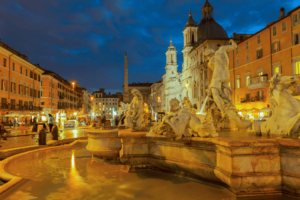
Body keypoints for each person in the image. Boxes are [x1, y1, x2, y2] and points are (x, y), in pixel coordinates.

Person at [204, 39, 237, 120]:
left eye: (206, 57)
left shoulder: (210, 62)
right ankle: (225, 103)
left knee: (215, 94)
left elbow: (213, 68)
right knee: (220, 93)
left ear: (207, 56)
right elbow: (228, 48)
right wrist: (233, 45)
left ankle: (223, 111)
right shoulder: (220, 52)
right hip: (225, 75)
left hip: (217, 77)